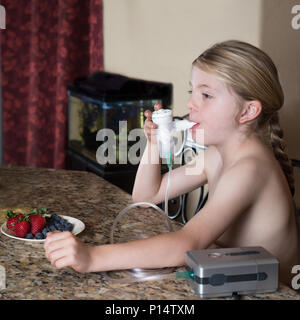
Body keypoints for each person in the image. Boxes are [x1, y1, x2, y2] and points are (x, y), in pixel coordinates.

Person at [44, 40, 300, 287]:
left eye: (207, 95)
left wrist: (91, 257)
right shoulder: (215, 155)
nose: (191, 104)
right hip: (231, 278)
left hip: (272, 292)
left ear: (247, 112)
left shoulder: (249, 169)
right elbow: (147, 195)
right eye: (192, 92)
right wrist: (154, 143)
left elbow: (187, 244)